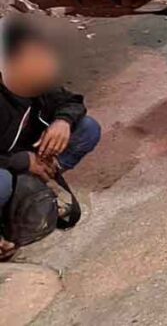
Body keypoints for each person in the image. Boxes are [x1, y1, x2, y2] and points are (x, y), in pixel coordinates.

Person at [1, 16, 101, 261]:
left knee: (87, 129)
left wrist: (62, 121)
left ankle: (38, 182)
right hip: (6, 163)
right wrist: (22, 161)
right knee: (1, 182)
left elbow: (72, 102)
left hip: (26, 154)